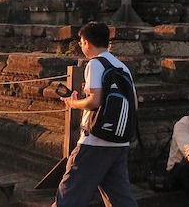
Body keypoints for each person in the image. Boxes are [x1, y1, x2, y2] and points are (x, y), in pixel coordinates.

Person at [53, 22, 137, 206]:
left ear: (87, 43)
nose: (82, 46)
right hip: (119, 141)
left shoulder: (95, 64)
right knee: (120, 196)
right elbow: (133, 104)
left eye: (82, 42)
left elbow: (95, 101)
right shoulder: (122, 67)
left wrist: (74, 103)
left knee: (70, 192)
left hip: (95, 141)